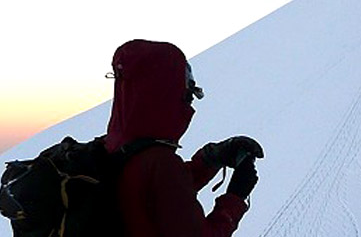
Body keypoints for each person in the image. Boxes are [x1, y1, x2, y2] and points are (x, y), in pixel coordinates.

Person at [106, 39, 263, 237]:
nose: (189, 100)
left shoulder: (115, 146)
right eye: (187, 90)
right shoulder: (161, 163)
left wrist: (209, 160)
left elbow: (161, 195)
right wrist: (236, 196)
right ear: (166, 92)